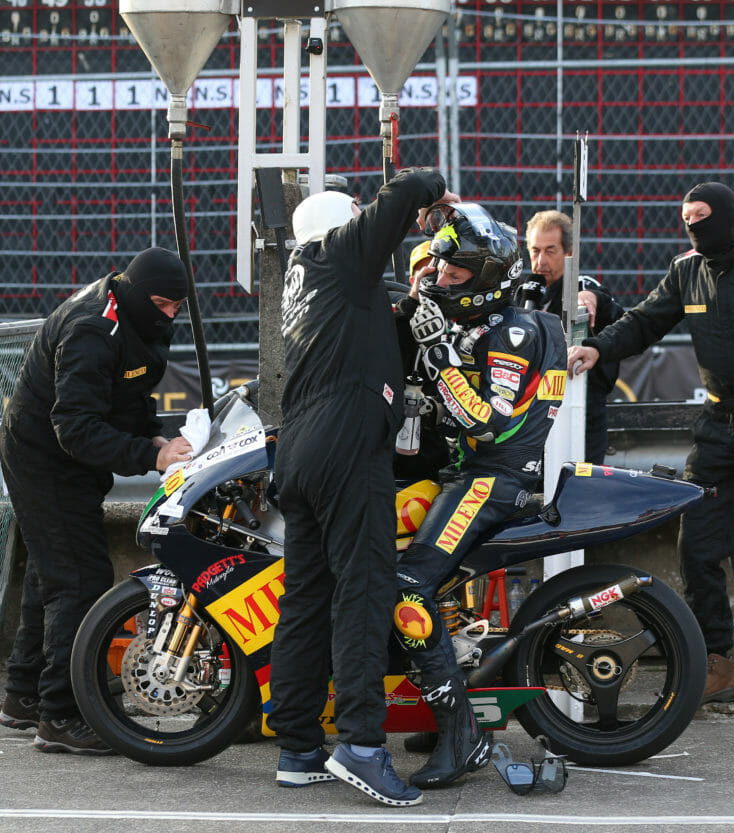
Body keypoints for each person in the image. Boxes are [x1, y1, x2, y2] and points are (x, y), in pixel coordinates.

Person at [567, 182, 734, 710]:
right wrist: (595, 347)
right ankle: (716, 665)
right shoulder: (686, 268)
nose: (693, 228)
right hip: (718, 424)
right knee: (697, 546)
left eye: (702, 218)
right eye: (686, 220)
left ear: (726, 216)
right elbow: (644, 321)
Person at [268, 168, 456, 808]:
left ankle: (298, 749)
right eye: (355, 215)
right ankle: (362, 747)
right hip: (348, 445)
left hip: (300, 447)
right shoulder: (334, 252)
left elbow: (375, 335)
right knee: (365, 592)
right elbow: (401, 195)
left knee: (306, 601)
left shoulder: (310, 281)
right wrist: (432, 189)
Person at [391, 203, 567, 787]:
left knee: (408, 585)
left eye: (454, 272)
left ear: (487, 275)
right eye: (438, 269)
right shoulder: (474, 322)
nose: (440, 279)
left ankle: (462, 734)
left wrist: (439, 356)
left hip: (493, 476)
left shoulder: (512, 329)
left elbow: (486, 422)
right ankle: (430, 710)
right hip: (465, 475)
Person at [0, 246, 194, 753]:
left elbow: (126, 395)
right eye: (165, 306)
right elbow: (75, 426)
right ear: (140, 294)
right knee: (80, 578)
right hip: (45, 455)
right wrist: (150, 457)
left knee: (51, 571)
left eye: (177, 307)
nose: (171, 316)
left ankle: (24, 696)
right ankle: (60, 717)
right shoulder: (92, 329)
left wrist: (152, 436)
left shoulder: (139, 314)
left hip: (66, 455)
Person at [525, 210, 624, 464]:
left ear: (568, 253)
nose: (541, 261)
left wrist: (593, 299)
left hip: (579, 411)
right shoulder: (525, 292)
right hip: (531, 412)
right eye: (535, 251)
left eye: (550, 251)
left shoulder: (580, 285)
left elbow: (612, 310)